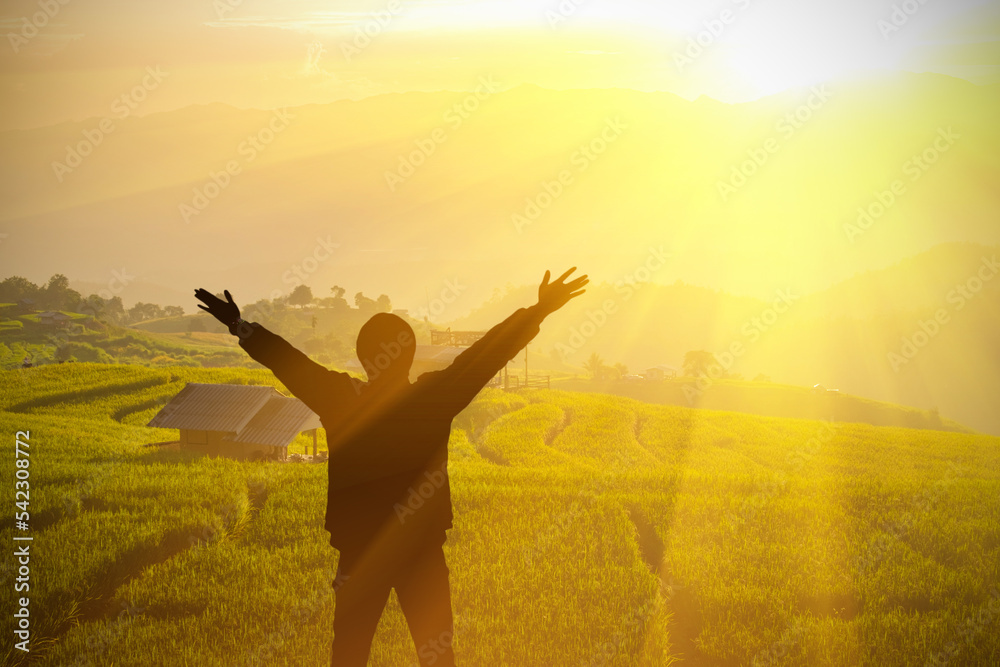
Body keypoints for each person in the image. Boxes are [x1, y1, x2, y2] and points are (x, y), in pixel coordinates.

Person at [194, 268, 587, 666]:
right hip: (421, 550)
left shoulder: (339, 398)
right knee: (436, 653)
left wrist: (237, 324)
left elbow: (289, 362)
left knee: (349, 651)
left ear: (366, 358)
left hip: (360, 552)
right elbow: (485, 356)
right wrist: (538, 311)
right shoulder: (434, 398)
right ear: (411, 356)